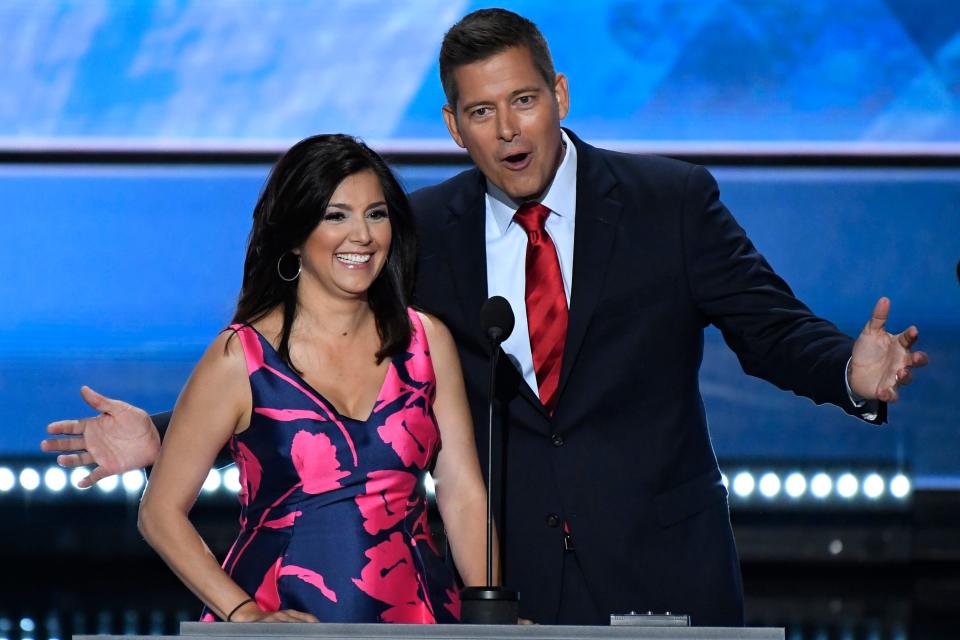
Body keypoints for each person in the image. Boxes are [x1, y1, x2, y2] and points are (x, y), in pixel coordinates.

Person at [43, 9, 928, 627]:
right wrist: (168, 436)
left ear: (561, 96)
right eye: (480, 111)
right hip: (502, 587)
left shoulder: (671, 201)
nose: (508, 129)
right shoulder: (421, 229)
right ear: (453, 126)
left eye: (523, 101)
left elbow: (768, 325)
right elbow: (329, 360)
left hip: (663, 566)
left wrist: (848, 372)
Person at [130, 134, 491, 623]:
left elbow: (462, 493)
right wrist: (244, 613)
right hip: (284, 625)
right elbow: (159, 513)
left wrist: (494, 615)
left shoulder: (427, 342)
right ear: (296, 234)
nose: (361, 235)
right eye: (335, 215)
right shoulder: (242, 357)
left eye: (376, 214)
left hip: (421, 621)